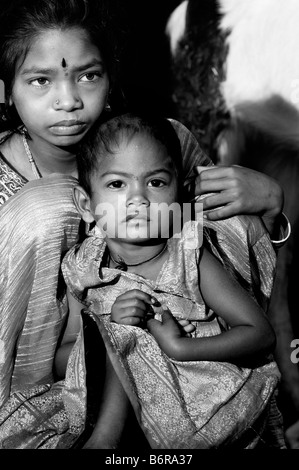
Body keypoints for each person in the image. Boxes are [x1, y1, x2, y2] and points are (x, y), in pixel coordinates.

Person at [0, 0, 289, 449]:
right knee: (43, 209)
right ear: (6, 90)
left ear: (110, 80)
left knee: (229, 219)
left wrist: (271, 211)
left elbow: (233, 246)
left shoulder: (159, 141)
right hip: (46, 370)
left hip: (192, 349)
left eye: (88, 75)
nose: (69, 101)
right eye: (41, 80)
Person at [57, 113, 284, 449]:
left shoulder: (190, 257)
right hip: (129, 421)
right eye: (117, 184)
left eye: (157, 183)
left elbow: (260, 334)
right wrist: (109, 332)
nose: (139, 199)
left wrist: (179, 346)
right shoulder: (84, 268)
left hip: (208, 406)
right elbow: (63, 357)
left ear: (181, 194)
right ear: (86, 205)